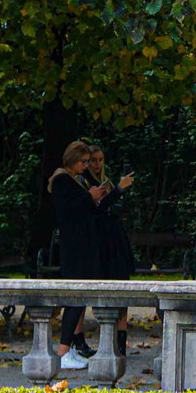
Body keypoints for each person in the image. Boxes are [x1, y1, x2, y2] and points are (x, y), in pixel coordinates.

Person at [46, 140, 106, 372]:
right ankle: (62, 351)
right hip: (74, 248)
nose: (86, 166)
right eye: (82, 162)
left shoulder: (76, 180)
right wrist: (88, 196)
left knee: (80, 297)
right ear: (72, 160)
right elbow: (66, 212)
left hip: (83, 245)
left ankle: (68, 347)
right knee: (75, 297)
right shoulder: (61, 180)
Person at [87, 145, 137, 356]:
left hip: (115, 237)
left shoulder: (102, 181)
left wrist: (118, 193)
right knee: (107, 289)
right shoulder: (87, 184)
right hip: (102, 241)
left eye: (100, 159)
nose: (98, 165)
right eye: (93, 160)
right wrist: (117, 189)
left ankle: (120, 342)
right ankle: (108, 341)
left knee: (122, 285)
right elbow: (97, 207)